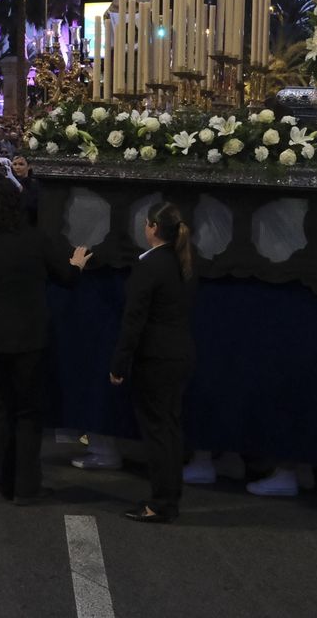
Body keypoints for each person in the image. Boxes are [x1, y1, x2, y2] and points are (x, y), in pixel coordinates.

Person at [0, 178, 89, 504]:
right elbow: (66, 278)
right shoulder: (34, 241)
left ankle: (4, 480)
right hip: (28, 340)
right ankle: (27, 486)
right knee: (27, 413)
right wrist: (77, 265)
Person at [111, 202, 197, 523]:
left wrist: (119, 363)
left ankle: (161, 503)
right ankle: (168, 497)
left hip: (156, 359)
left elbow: (133, 320)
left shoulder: (150, 267)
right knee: (170, 430)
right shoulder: (181, 262)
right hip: (180, 354)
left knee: (158, 434)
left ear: (151, 228)